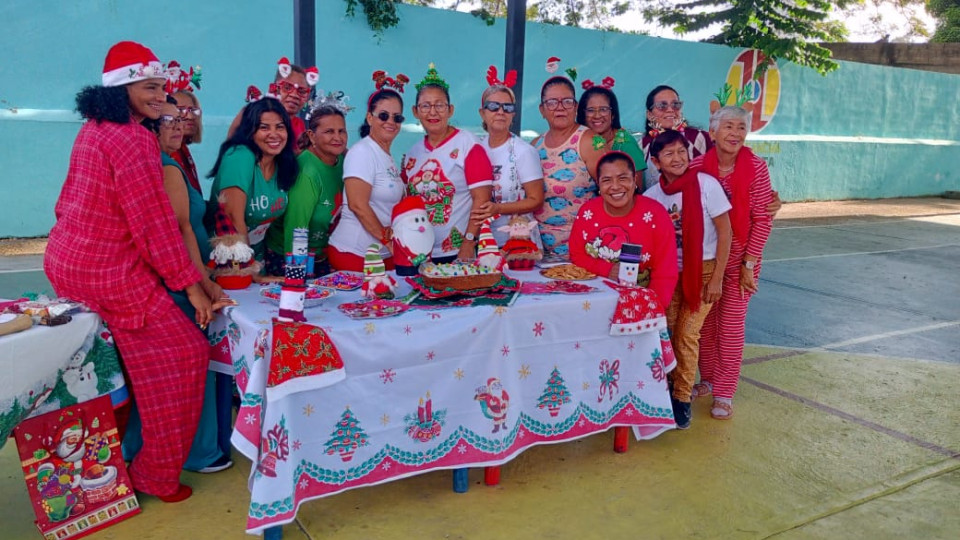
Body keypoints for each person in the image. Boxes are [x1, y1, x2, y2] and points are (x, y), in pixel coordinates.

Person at [44, 41, 211, 502]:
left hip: (68, 261)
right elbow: (152, 224)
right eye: (149, 87)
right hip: (108, 272)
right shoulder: (133, 137)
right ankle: (154, 475)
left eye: (163, 87)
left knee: (115, 367)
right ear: (123, 88)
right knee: (186, 354)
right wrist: (190, 287)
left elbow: (66, 200)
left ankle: (120, 466)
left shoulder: (96, 127)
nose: (161, 96)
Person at [123, 97, 232, 473]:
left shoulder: (169, 163)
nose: (176, 126)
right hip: (179, 284)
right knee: (191, 364)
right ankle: (199, 453)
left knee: (163, 374)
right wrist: (200, 283)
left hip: (180, 278)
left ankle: (143, 449)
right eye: (166, 120)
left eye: (179, 118)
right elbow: (179, 231)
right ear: (148, 130)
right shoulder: (166, 168)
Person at [689, 106, 775, 420]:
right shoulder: (697, 167)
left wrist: (749, 263)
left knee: (730, 327)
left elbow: (763, 219)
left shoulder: (757, 168)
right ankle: (708, 380)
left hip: (742, 262)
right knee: (705, 326)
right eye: (728, 126)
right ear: (712, 133)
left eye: (741, 127)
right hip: (708, 261)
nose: (735, 133)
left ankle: (725, 392)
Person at [643, 129, 732, 429]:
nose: (677, 158)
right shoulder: (652, 197)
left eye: (682, 151)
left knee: (686, 334)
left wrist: (717, 277)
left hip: (703, 272)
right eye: (669, 153)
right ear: (656, 162)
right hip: (668, 276)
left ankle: (681, 400)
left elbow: (725, 232)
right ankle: (665, 392)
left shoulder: (706, 186)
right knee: (665, 332)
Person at [401, 64, 493, 263]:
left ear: (450, 110)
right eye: (425, 106)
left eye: (439, 105)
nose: (433, 112)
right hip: (418, 252)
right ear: (415, 112)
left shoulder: (468, 145)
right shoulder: (412, 155)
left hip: (458, 251)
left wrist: (469, 242)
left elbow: (482, 200)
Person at [569, 151, 677, 307]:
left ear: (635, 180)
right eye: (606, 180)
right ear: (598, 184)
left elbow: (665, 271)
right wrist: (607, 269)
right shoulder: (588, 212)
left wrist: (653, 308)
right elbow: (577, 255)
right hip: (592, 304)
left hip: (644, 304)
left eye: (623, 178)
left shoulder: (656, 214)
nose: (615, 186)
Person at [327, 73, 406, 272]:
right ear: (370, 117)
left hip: (381, 255)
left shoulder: (385, 155)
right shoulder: (362, 152)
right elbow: (357, 205)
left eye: (397, 117)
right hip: (355, 254)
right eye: (383, 115)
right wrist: (386, 241)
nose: (391, 121)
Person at [207, 97, 297, 271]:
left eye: (280, 127)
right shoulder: (240, 156)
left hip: (257, 259)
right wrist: (250, 270)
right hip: (228, 264)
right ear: (250, 131)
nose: (274, 134)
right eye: (264, 127)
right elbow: (233, 216)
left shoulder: (283, 163)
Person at [265, 102, 348, 276]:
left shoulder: (343, 162)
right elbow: (295, 228)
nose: (337, 137)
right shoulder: (307, 173)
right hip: (292, 260)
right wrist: (296, 275)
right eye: (329, 132)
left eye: (341, 131)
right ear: (311, 136)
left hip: (326, 256)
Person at [470, 67, 544, 249]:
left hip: (518, 241)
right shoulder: (474, 148)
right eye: (493, 106)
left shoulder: (523, 151)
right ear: (482, 113)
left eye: (507, 107)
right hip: (483, 241)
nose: (500, 112)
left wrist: (499, 209)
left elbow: (536, 199)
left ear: (513, 115)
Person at [533, 74, 605, 260]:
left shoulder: (590, 141)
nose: (560, 108)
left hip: (582, 251)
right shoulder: (534, 145)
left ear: (575, 107)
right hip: (539, 253)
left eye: (566, 101)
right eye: (552, 102)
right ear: (542, 110)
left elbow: (610, 192)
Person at [227, 58, 317, 144]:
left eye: (302, 91)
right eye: (287, 87)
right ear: (275, 87)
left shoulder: (299, 125)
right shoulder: (251, 113)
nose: (294, 95)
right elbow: (230, 147)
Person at [640, 85, 713, 190]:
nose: (670, 110)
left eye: (675, 105)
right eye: (662, 105)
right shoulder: (642, 146)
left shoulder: (700, 138)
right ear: (649, 114)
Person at [576, 81, 646, 184]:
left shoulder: (625, 143)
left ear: (613, 115)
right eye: (591, 110)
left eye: (603, 109)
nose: (597, 115)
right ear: (583, 115)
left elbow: (638, 188)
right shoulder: (580, 141)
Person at [171, 89, 204, 193]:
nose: (190, 117)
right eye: (180, 110)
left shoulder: (183, 150)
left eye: (193, 110)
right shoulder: (165, 155)